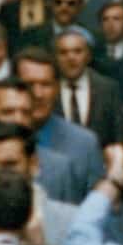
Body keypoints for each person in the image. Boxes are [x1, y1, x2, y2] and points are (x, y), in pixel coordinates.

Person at [18, 47, 103, 203]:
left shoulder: (84, 144)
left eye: (46, 85)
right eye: (29, 85)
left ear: (57, 88)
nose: (38, 94)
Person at [55, 26, 123, 147]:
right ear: (55, 58)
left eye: (77, 51)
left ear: (88, 56)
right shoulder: (47, 89)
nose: (71, 58)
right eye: (63, 52)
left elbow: (119, 138)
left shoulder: (108, 89)